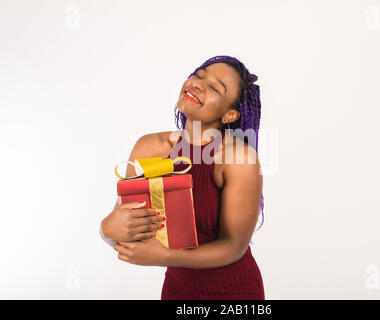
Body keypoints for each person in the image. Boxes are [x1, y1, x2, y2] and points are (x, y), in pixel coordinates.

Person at [100, 55, 265, 299]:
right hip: (177, 290)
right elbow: (130, 226)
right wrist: (106, 230)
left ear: (229, 115)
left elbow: (233, 247)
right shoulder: (149, 147)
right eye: (199, 75)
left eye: (214, 88)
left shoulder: (238, 159)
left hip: (233, 291)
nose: (198, 84)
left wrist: (167, 257)